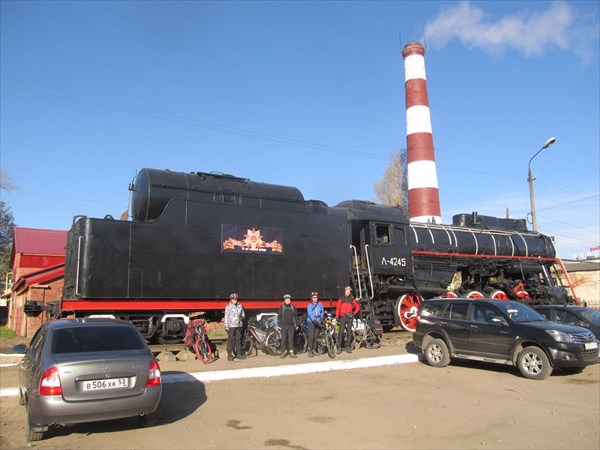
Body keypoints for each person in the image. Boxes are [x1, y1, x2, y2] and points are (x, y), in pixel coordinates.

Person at [335, 286, 360, 354]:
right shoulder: (341, 298)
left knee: (349, 332)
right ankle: (339, 347)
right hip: (343, 316)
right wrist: (337, 317)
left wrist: (353, 314)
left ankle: (348, 347)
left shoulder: (352, 298)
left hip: (350, 317)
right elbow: (338, 308)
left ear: (350, 292)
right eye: (346, 291)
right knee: (341, 332)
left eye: (349, 291)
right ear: (345, 291)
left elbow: (358, 307)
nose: (347, 292)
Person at [224, 293, 245, 361]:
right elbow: (226, 317)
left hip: (238, 325)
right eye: (233, 299)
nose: (234, 300)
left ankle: (238, 354)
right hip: (231, 326)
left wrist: (241, 317)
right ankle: (229, 355)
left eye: (235, 299)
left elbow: (243, 314)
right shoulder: (228, 307)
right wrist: (226, 326)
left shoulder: (240, 306)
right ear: (231, 299)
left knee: (238, 340)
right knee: (230, 341)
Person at [277, 294, 298, 358]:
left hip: (291, 326)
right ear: (284, 300)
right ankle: (283, 352)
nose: (288, 300)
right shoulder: (282, 307)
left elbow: (296, 316)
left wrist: (296, 325)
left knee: (291, 340)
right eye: (286, 299)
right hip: (284, 326)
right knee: (283, 340)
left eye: (289, 299)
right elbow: (279, 316)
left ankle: (291, 353)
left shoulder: (293, 307)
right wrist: (280, 325)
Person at [306, 291, 324, 357]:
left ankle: (314, 349)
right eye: (313, 297)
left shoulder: (320, 304)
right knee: (311, 336)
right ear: (311, 298)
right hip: (311, 322)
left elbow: (322, 311)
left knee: (316, 336)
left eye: (316, 297)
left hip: (318, 321)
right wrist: (314, 320)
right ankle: (310, 349)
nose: (315, 299)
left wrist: (321, 317)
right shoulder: (309, 305)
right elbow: (310, 314)